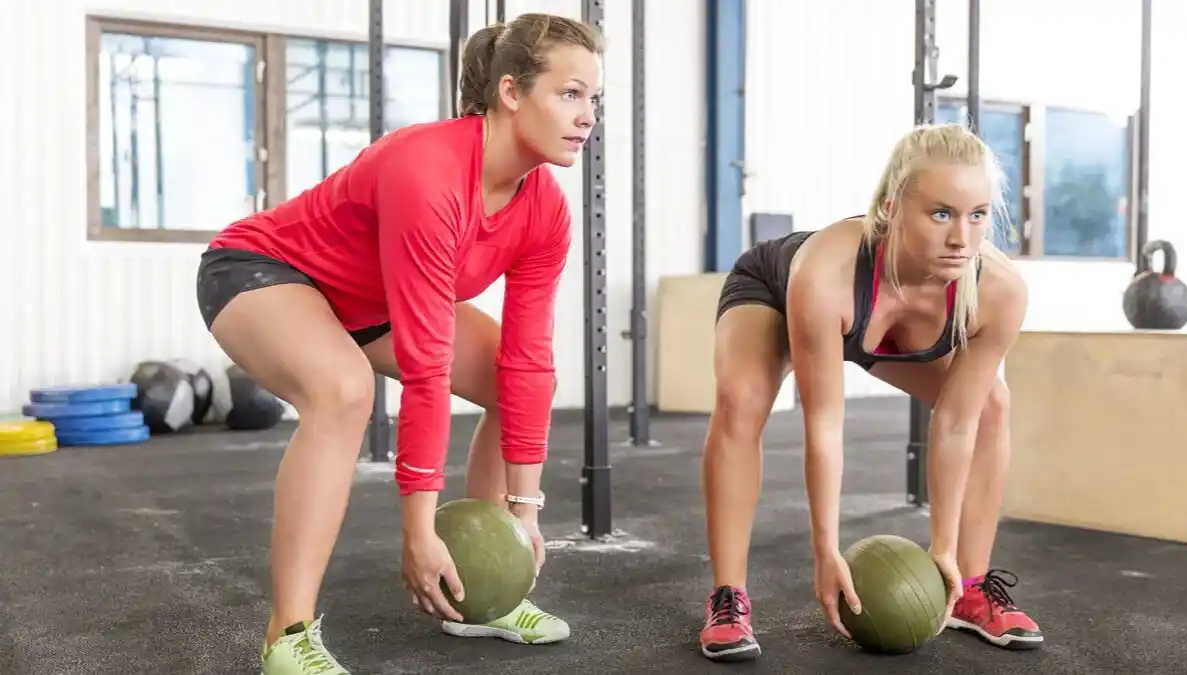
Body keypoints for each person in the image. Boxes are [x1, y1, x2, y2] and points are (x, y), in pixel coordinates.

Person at [194, 13, 604, 674]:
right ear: (510, 92)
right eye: (570, 93)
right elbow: (426, 364)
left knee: (514, 378)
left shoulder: (544, 209)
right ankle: (287, 634)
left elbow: (527, 360)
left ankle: (483, 594)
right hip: (262, 271)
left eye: (594, 99)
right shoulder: (429, 169)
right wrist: (417, 530)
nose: (587, 115)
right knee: (343, 391)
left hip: (370, 301)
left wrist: (525, 515)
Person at [696, 123, 1042, 662]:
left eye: (977, 215)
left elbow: (956, 422)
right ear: (889, 207)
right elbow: (826, 425)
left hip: (874, 324)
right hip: (780, 292)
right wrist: (826, 551)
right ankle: (728, 596)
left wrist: (943, 548)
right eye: (941, 213)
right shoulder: (826, 272)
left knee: (993, 404)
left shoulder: (999, 292)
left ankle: (971, 588)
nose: (962, 238)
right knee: (741, 401)